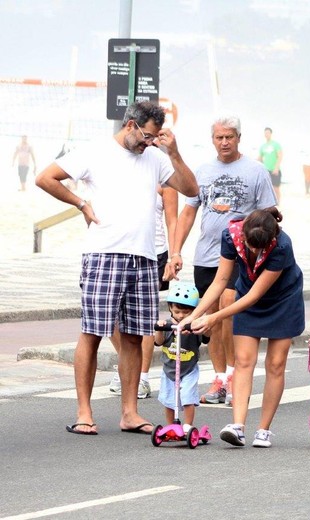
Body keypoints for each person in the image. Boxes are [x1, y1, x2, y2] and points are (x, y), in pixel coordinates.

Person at [35, 101, 199, 436]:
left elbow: (192, 190)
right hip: (103, 254)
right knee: (93, 332)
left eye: (154, 138)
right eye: (146, 137)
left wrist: (175, 153)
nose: (148, 143)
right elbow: (45, 178)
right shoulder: (95, 151)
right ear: (131, 126)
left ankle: (129, 412)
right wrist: (81, 203)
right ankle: (84, 412)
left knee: (134, 338)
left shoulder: (155, 158)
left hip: (144, 256)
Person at [165, 115, 277, 408]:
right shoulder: (202, 171)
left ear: (239, 137)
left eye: (229, 137)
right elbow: (188, 213)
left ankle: (232, 375)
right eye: (219, 138)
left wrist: (264, 254)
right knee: (208, 319)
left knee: (227, 309)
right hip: (206, 256)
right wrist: (176, 251)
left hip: (242, 256)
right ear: (212, 139)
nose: (224, 142)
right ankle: (220, 379)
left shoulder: (256, 171)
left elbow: (270, 216)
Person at [179, 208, 305, 448]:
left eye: (260, 248)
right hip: (246, 295)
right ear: (243, 235)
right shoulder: (231, 235)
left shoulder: (281, 246)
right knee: (243, 360)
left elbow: (257, 295)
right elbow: (220, 280)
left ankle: (263, 430)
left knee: (276, 364)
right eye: (250, 246)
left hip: (283, 300)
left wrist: (214, 318)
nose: (255, 252)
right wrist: (194, 315)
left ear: (272, 239)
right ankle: (238, 426)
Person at [108, 184, 178, 398]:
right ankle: (127, 367)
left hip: (153, 253)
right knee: (110, 316)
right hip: (117, 249)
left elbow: (173, 219)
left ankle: (142, 378)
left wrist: (175, 255)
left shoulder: (164, 180)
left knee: (144, 318)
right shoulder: (120, 171)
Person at [154, 281, 202, 433]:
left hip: (188, 369)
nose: (181, 316)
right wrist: (160, 328)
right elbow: (158, 342)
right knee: (169, 400)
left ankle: (188, 425)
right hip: (169, 370)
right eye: (177, 311)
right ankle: (171, 426)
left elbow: (207, 336)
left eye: (186, 312)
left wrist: (197, 324)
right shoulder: (168, 325)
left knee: (188, 397)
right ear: (170, 308)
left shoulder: (194, 326)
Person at [258, 127, 283, 202]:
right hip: (266, 170)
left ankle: (278, 204)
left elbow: (280, 156)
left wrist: (276, 168)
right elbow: (260, 158)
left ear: (271, 134)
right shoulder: (263, 146)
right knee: (267, 189)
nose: (266, 134)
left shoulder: (276, 144)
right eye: (265, 133)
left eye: (268, 133)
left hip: (275, 170)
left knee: (276, 188)